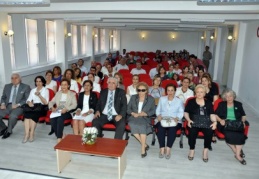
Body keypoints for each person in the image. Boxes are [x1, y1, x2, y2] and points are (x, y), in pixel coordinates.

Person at [184, 84, 217, 162]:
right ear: (195, 93)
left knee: (210, 131)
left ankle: (205, 151)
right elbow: (186, 113)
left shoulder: (208, 102)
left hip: (206, 121)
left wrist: (215, 122)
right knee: (192, 132)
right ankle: (192, 150)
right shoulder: (191, 101)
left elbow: (212, 114)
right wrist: (188, 120)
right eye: (198, 92)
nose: (199, 94)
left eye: (201, 92)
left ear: (204, 93)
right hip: (194, 121)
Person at [215, 89, 247, 165]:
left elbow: (243, 115)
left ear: (233, 96)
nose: (229, 98)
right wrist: (220, 120)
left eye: (230, 96)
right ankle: (237, 154)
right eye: (227, 97)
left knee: (241, 136)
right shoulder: (222, 104)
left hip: (236, 123)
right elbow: (215, 115)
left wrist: (243, 121)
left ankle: (237, 154)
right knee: (229, 135)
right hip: (225, 124)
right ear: (224, 97)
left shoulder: (239, 104)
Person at [127, 82, 155, 158]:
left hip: (144, 117)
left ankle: (142, 148)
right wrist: (132, 113)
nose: (141, 92)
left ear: (146, 91)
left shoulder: (151, 99)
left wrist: (145, 114)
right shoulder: (133, 97)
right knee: (132, 125)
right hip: (134, 117)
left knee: (142, 126)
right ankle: (145, 144)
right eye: (139, 90)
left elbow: (153, 110)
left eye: (143, 90)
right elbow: (128, 109)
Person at [156, 84, 184, 159]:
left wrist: (177, 118)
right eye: (168, 90)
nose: (170, 92)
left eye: (172, 90)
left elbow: (181, 112)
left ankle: (168, 149)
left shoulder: (179, 101)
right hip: (163, 119)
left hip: (175, 120)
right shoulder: (162, 99)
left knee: (172, 129)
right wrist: (158, 115)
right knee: (160, 128)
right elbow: (158, 110)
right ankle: (162, 148)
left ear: (175, 91)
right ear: (166, 91)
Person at [0, 73, 30, 139]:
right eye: (12, 78)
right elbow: (3, 97)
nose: (14, 79)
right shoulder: (7, 86)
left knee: (13, 116)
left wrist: (18, 104)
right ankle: (3, 128)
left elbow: (27, 99)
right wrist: (2, 104)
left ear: (20, 79)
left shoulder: (26, 87)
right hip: (7, 106)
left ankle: (9, 131)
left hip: (19, 107)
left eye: (16, 78)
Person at [49, 79, 77, 143]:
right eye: (62, 85)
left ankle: (59, 139)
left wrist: (66, 109)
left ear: (68, 86)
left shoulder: (72, 94)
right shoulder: (58, 93)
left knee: (60, 119)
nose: (63, 86)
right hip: (58, 110)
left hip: (68, 111)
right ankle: (60, 135)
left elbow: (74, 105)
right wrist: (51, 107)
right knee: (52, 119)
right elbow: (51, 102)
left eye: (65, 85)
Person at [23, 76, 49, 143]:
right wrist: (29, 103)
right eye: (37, 81)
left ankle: (31, 134)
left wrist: (39, 95)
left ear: (43, 82)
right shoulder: (33, 90)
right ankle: (26, 134)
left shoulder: (45, 90)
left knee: (33, 115)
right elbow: (28, 99)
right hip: (33, 106)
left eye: (40, 81)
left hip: (42, 107)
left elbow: (46, 102)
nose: (38, 83)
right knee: (27, 116)